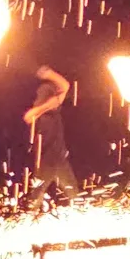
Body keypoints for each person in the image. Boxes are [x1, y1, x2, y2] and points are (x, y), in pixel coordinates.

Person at [24, 65, 80, 210]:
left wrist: (50, 74)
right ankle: (29, 215)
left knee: (73, 192)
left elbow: (65, 86)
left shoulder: (54, 112)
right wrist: (47, 105)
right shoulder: (38, 114)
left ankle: (80, 212)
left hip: (59, 157)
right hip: (45, 159)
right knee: (37, 194)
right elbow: (28, 117)